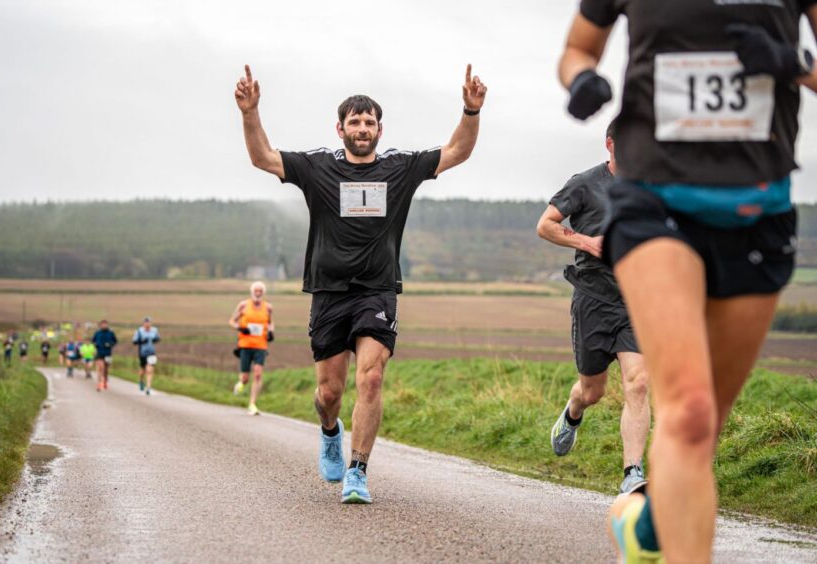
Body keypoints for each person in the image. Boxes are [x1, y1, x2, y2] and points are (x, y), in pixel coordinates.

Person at [559, 1, 816, 562]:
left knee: (702, 431)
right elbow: (578, 47)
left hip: (757, 214)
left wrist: (793, 62)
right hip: (655, 204)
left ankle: (649, 525)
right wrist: (582, 79)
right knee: (691, 413)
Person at [234, 62, 487, 504]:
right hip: (329, 293)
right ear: (340, 128)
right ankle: (330, 430)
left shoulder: (401, 167)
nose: (363, 127)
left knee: (370, 379)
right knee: (330, 392)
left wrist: (470, 111)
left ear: (380, 129)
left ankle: (358, 471)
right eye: (355, 121)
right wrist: (250, 112)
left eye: (370, 121)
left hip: (377, 290)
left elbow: (456, 152)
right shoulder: (317, 167)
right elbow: (263, 158)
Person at [536, 120, 650, 495]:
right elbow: (546, 225)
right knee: (593, 390)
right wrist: (587, 243)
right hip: (593, 298)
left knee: (639, 381)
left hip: (635, 300)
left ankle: (632, 472)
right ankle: (573, 411)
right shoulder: (585, 183)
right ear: (610, 144)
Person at [230, 281, 274, 415]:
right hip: (245, 345)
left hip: (260, 346)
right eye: (256, 290)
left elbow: (271, 323)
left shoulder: (268, 307)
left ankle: (252, 404)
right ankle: (241, 383)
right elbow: (232, 321)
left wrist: (271, 332)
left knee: (258, 374)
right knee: (245, 377)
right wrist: (240, 328)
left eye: (261, 291)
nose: (258, 293)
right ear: (252, 292)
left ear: (263, 293)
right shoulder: (243, 305)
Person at [132, 317, 160, 396]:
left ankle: (148, 388)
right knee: (142, 370)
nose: (147, 324)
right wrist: (141, 341)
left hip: (151, 353)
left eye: (149, 323)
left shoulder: (154, 330)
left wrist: (155, 339)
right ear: (143, 324)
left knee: (150, 370)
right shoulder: (139, 331)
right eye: (146, 323)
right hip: (142, 353)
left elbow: (158, 338)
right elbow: (134, 341)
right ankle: (141, 380)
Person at [92, 320, 117, 392]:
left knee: (106, 369)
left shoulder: (111, 333)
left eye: (105, 324)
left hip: (108, 353)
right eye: (103, 324)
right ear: (100, 325)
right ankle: (99, 383)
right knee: (100, 367)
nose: (104, 326)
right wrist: (96, 344)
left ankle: (105, 380)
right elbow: (93, 340)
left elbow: (115, 341)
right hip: (99, 352)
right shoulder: (97, 333)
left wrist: (110, 344)